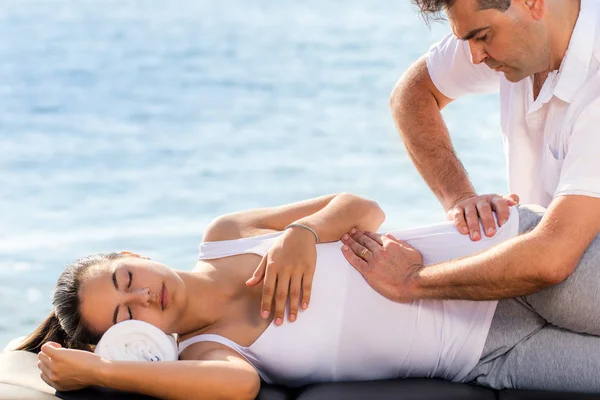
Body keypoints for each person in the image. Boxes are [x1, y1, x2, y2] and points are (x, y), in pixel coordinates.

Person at [14, 193, 600, 399]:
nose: (143, 296)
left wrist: (303, 234)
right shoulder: (205, 353)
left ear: (133, 256)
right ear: (126, 335)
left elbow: (364, 208)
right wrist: (102, 373)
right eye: (125, 314)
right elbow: (238, 388)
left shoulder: (224, 238)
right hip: (490, 358)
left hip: (506, 259)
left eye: (125, 280)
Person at [340, 0, 600, 308]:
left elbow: (553, 257)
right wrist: (458, 197)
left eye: (483, 36)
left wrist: (413, 280)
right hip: (542, 278)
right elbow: (412, 94)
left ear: (532, 3)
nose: (475, 56)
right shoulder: (523, 34)